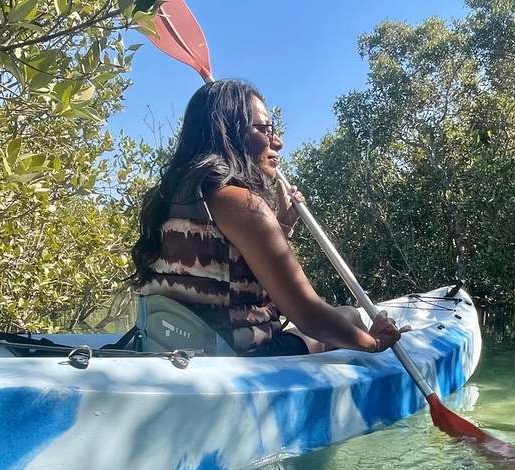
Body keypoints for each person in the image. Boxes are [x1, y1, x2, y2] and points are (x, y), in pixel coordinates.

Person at [129, 79, 406, 357]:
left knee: (344, 318)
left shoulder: (161, 199)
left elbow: (225, 270)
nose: (278, 142)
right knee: (348, 315)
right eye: (264, 129)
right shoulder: (241, 203)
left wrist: (282, 224)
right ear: (230, 134)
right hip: (241, 358)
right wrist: (374, 342)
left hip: (170, 346)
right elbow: (309, 315)